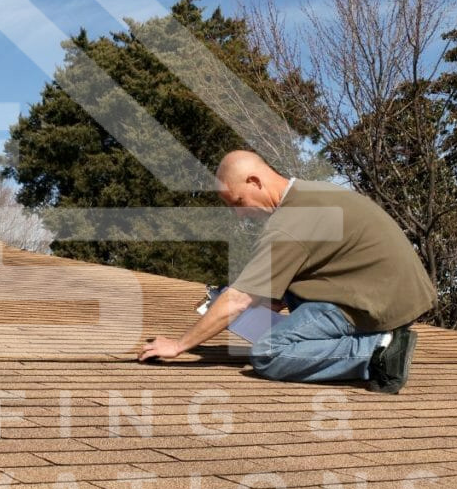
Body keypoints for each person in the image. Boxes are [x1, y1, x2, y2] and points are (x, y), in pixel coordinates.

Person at [138, 150, 437, 393]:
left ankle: (378, 352)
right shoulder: (309, 194)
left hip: (373, 305)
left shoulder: (288, 224)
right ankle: (374, 341)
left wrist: (179, 345)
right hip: (390, 292)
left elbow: (239, 298)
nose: (240, 215)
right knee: (278, 298)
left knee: (269, 354)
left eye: (239, 203)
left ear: (254, 181)